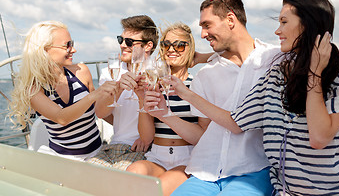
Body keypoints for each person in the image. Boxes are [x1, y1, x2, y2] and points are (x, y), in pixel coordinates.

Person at [151, 0, 339, 195]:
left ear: (230, 19)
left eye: (284, 22)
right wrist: (196, 68)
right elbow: (229, 124)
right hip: (246, 179)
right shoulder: (268, 72)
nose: (277, 30)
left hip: (322, 184)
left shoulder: (287, 62)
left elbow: (319, 136)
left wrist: (337, 121)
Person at [145, 0, 278, 195]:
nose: (203, 34)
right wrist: (164, 114)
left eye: (207, 25)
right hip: (205, 171)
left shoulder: (273, 60)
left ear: (231, 19)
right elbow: (202, 135)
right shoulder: (206, 75)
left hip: (254, 170)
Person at [8, 21, 117, 161]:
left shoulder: (81, 71)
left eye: (73, 43)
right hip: (63, 160)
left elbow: (100, 112)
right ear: (44, 50)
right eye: (67, 45)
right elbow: (62, 118)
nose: (73, 50)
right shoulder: (33, 89)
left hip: (98, 153)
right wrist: (94, 95)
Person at [126, 22, 211, 196]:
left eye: (179, 45)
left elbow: (203, 137)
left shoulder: (198, 85)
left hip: (188, 157)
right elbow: (146, 137)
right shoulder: (153, 84)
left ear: (190, 48)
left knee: (158, 189)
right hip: (157, 155)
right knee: (131, 175)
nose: (172, 49)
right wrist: (142, 98)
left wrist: (198, 58)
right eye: (166, 44)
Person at [86, 15, 158, 170]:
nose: (123, 45)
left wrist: (146, 139)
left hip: (145, 148)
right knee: (84, 174)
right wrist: (118, 87)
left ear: (147, 46)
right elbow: (100, 112)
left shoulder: (158, 73)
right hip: (115, 145)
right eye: (121, 40)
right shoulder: (111, 72)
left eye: (129, 42)